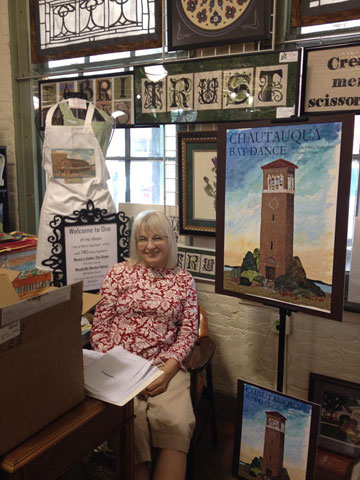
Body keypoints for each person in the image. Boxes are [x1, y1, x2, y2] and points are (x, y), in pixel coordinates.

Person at [90, 210, 198, 480]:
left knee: (176, 421)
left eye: (157, 238)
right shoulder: (118, 274)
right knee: (131, 422)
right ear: (135, 243)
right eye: (143, 239)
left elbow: (188, 332)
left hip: (165, 366)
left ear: (169, 241)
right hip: (120, 369)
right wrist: (119, 368)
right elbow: (100, 329)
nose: (150, 245)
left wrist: (170, 370)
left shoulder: (183, 280)